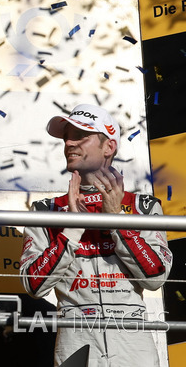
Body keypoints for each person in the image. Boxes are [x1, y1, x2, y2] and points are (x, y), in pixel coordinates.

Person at [19, 104, 172, 367]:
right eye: (67, 136)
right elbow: (33, 284)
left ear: (108, 147)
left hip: (132, 339)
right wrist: (72, 229)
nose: (69, 143)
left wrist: (117, 223)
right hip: (75, 336)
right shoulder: (47, 211)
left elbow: (156, 277)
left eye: (81, 135)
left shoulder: (142, 207)